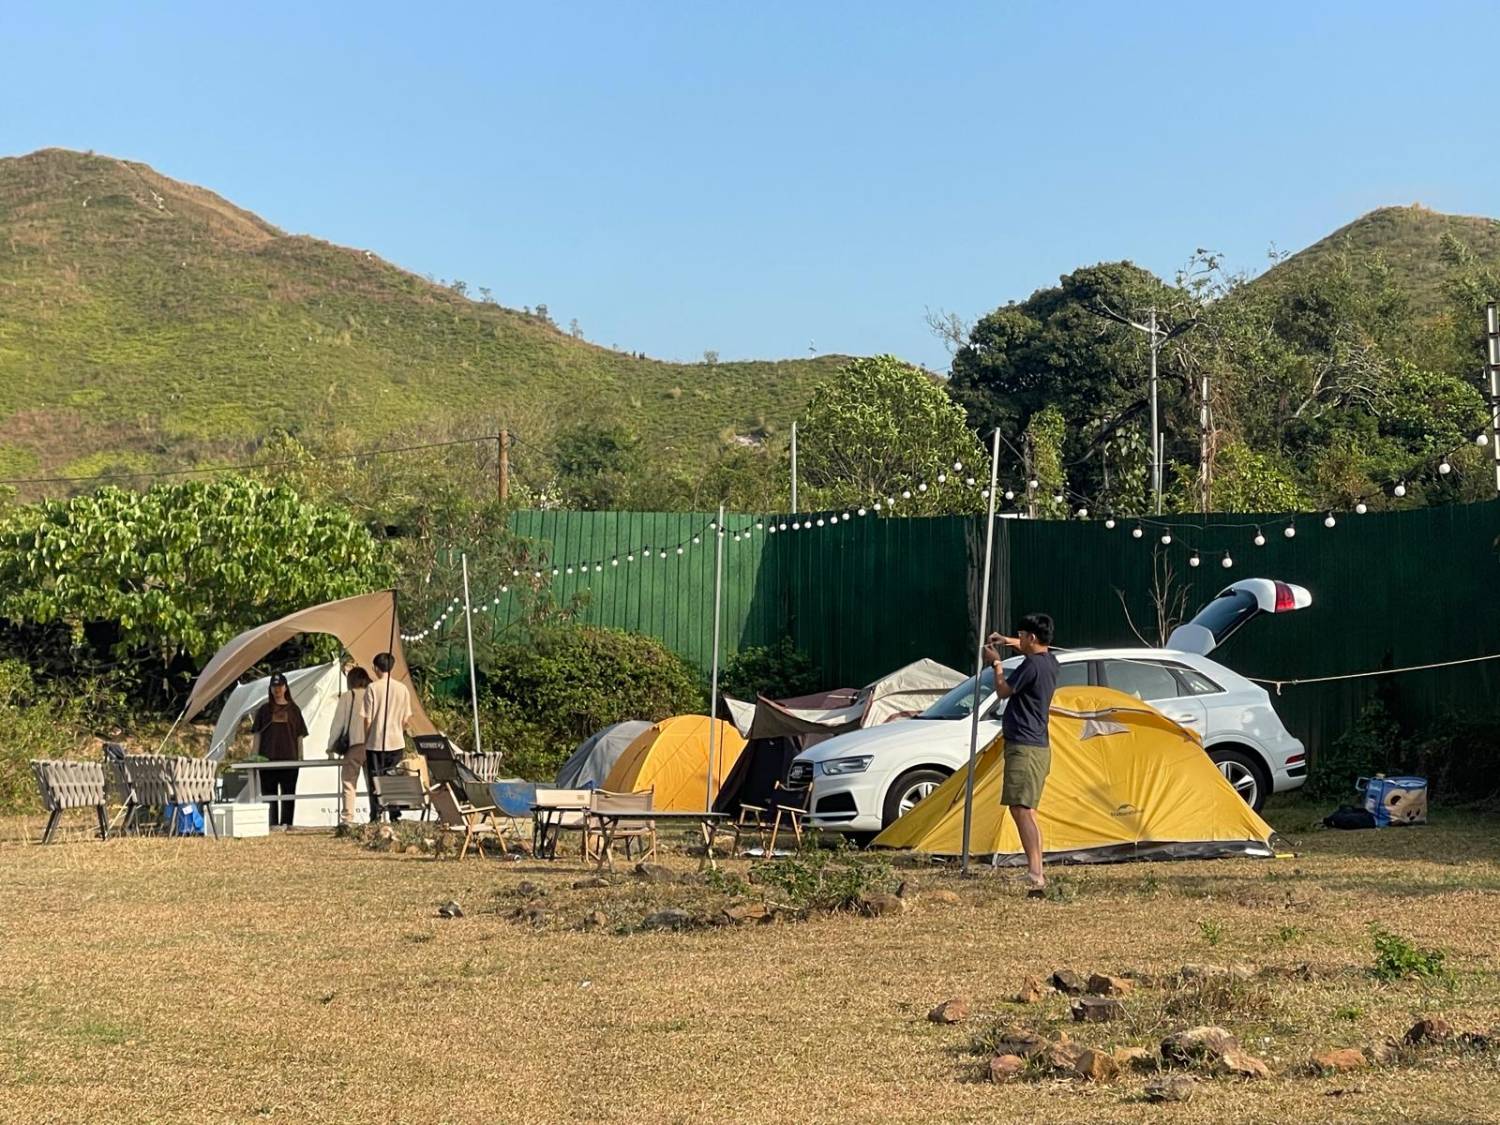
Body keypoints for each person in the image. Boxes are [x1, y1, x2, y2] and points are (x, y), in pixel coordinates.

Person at [982, 613, 1059, 892]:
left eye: (1022, 635)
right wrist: (1006, 641)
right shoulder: (1049, 660)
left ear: (1032, 638)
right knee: (1029, 810)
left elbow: (1003, 691)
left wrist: (996, 663)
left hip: (1025, 747)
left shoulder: (1031, 666)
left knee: (1021, 809)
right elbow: (1028, 645)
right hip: (1037, 745)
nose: (1020, 639)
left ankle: (1036, 874)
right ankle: (1035, 870)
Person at [251, 672, 308, 830]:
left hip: (289, 759)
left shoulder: (294, 710)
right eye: (274, 686)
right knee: (269, 795)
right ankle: (272, 825)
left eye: (280, 686)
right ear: (270, 689)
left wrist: (300, 758)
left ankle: (288, 824)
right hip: (267, 760)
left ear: (285, 687)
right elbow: (257, 735)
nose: (277, 689)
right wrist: (254, 756)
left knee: (289, 794)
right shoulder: (263, 710)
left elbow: (299, 736)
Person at [361, 651, 413, 821]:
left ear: (376, 668)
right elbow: (406, 719)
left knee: (375, 779)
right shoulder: (402, 689)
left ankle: (376, 814)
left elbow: (367, 719)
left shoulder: (372, 688)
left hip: (375, 742)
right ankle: (394, 814)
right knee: (393, 779)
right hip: (396, 741)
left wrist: (366, 739)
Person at [333, 666, 371, 827]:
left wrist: (330, 747)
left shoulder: (348, 696)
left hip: (353, 745)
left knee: (349, 782)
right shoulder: (372, 694)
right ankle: (377, 815)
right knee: (373, 782)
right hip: (372, 745)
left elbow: (338, 724)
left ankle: (348, 818)